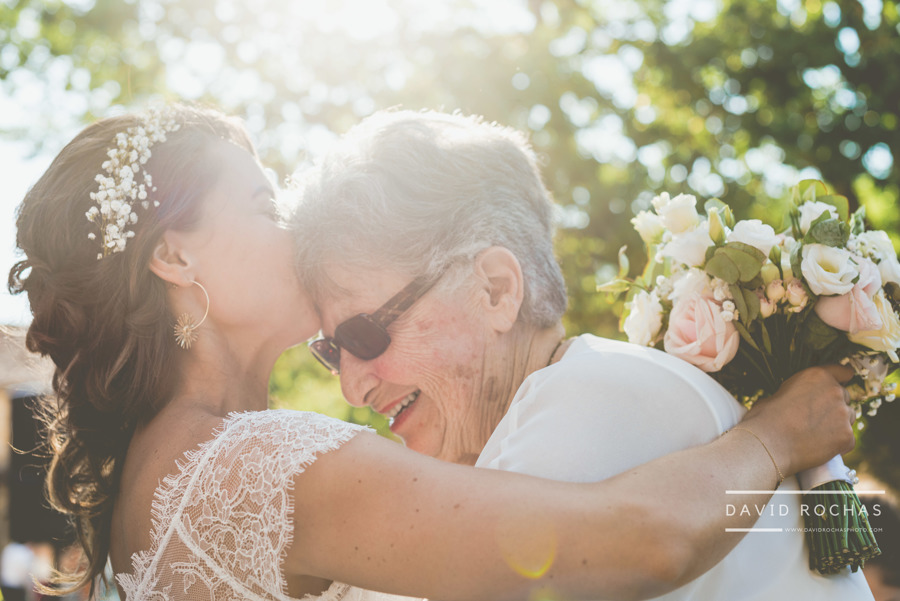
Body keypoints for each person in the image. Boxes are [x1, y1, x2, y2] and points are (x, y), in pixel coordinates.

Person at [8, 104, 855, 601]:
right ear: (175, 256)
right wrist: (779, 431)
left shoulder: (158, 479)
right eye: (264, 205)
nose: (348, 376)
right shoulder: (258, 464)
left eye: (363, 336)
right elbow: (640, 540)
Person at [294, 109, 875, 600]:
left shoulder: (577, 415)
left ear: (496, 289)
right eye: (329, 351)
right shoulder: (592, 382)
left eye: (364, 336)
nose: (352, 388)